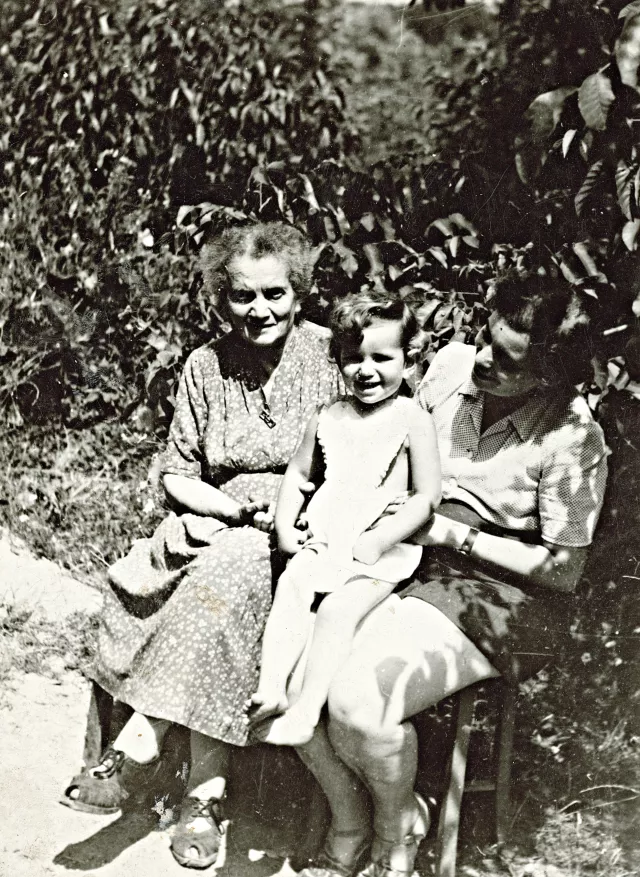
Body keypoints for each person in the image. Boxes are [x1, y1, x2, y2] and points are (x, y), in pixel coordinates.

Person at [289, 276, 609, 877]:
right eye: (486, 339)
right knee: (290, 679)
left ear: (549, 376)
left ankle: (395, 834)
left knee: (357, 703)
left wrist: (453, 534)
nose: (482, 360)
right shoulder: (451, 368)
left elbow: (563, 572)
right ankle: (355, 814)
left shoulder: (572, 435)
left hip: (500, 592)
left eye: (507, 361)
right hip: (400, 554)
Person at [59, 221, 342, 870]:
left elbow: (367, 453)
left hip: (303, 528)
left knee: (230, 572)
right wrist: (230, 507)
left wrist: (290, 511)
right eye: (243, 296)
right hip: (219, 517)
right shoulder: (205, 366)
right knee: (168, 576)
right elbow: (178, 474)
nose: (260, 310)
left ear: (298, 292)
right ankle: (202, 796)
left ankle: (140, 750)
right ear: (222, 299)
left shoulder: (330, 357)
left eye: (274, 293)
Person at [249, 292, 441, 747]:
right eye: (354, 358)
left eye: (381, 357)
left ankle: (306, 708)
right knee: (293, 586)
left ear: (408, 359)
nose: (366, 370)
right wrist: (284, 528)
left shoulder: (411, 418)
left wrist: (381, 539)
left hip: (380, 552)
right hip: (327, 539)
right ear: (338, 359)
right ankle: (273, 687)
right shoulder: (328, 415)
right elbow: (298, 474)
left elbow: (427, 495)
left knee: (336, 611)